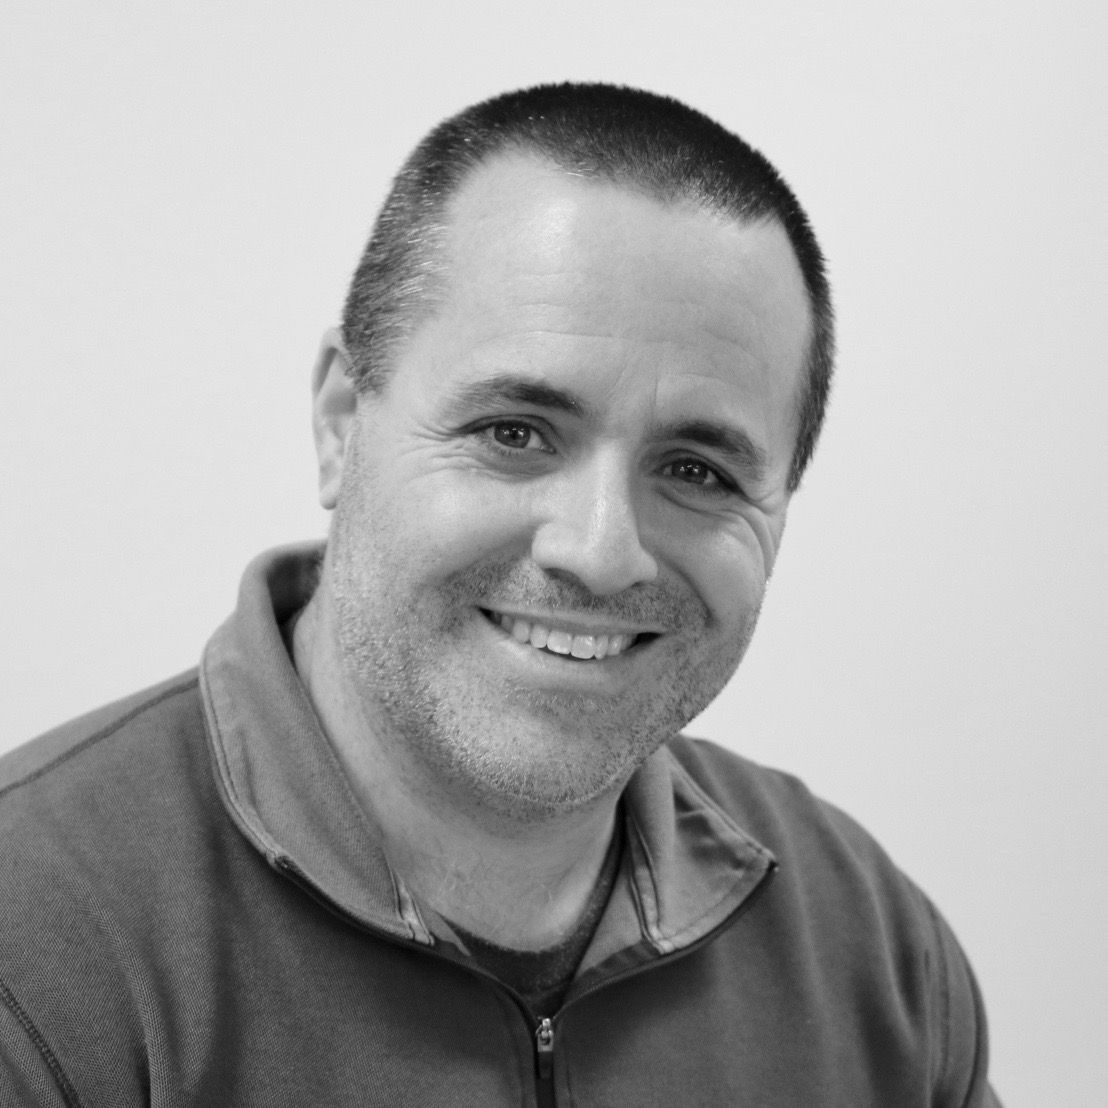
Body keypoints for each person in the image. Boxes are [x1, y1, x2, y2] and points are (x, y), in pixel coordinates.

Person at [0, 83, 1000, 1106]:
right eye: (514, 433)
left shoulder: (874, 954)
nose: (601, 552)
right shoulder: (30, 947)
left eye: (696, 470)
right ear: (342, 421)